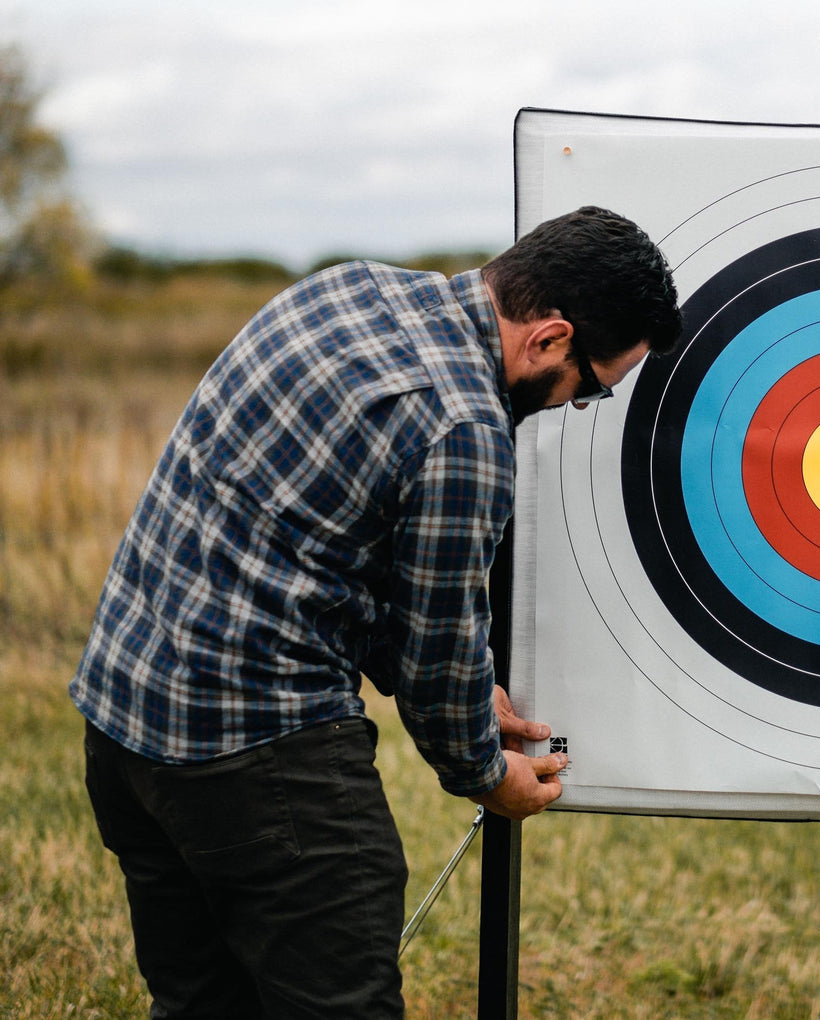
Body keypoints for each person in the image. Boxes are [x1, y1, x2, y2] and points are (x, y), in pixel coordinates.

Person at [71, 206, 682, 1017]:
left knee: (200, 1000)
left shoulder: (343, 291)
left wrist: (464, 691)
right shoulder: (464, 430)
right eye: (589, 387)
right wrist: (486, 772)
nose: (576, 404)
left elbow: (314, 545)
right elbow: (437, 651)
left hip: (122, 726)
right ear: (548, 338)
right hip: (251, 752)